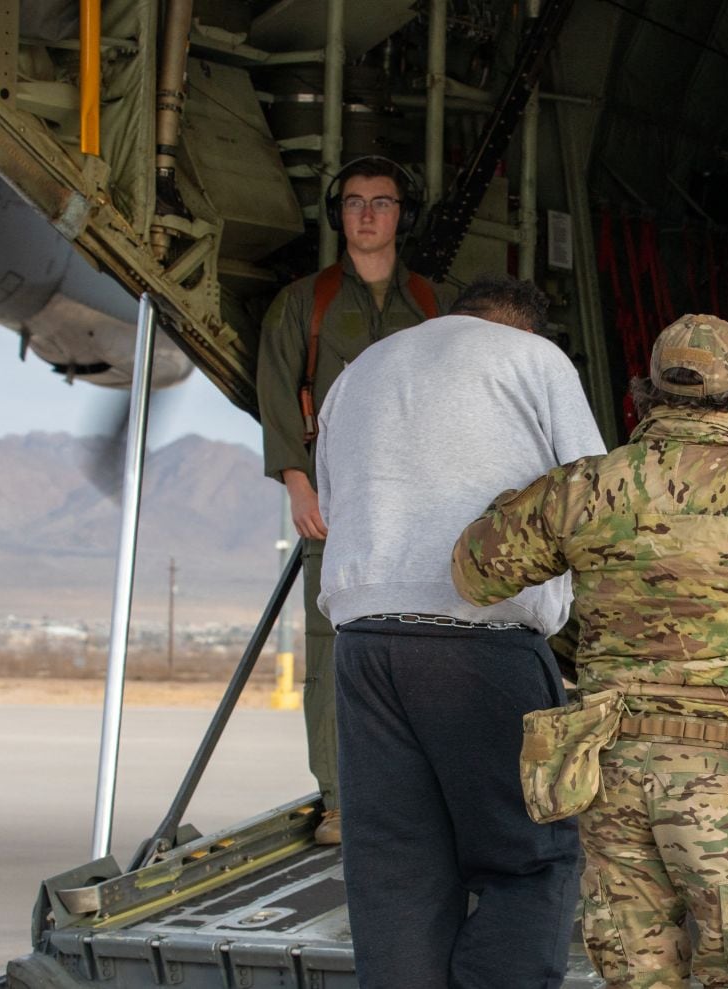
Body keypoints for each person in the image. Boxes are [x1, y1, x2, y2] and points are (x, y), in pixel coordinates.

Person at [452, 315, 728, 989]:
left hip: (610, 767)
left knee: (636, 972)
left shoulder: (586, 489)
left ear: (643, 394)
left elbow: (476, 570)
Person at [315, 276, 604, 987]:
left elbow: (331, 500)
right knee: (531, 856)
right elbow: (596, 500)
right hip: (481, 641)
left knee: (394, 876)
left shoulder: (361, 372)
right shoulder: (534, 361)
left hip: (365, 642)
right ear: (525, 328)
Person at [256, 155, 455, 844]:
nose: (368, 214)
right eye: (354, 202)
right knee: (332, 649)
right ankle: (341, 796)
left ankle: (415, 786)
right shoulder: (303, 303)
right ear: (338, 214)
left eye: (383, 202)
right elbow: (279, 390)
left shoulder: (433, 305)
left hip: (419, 502)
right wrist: (296, 479)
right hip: (337, 502)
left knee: (424, 641)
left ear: (403, 215)